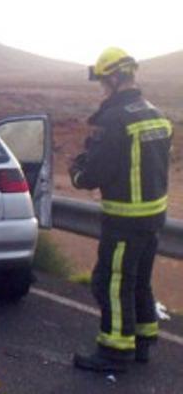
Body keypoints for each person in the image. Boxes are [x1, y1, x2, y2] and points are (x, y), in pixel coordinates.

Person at [69, 47, 173, 372]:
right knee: (138, 281)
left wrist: (76, 172)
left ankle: (114, 351)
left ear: (114, 77)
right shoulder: (154, 113)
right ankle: (143, 341)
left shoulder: (116, 119)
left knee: (110, 282)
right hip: (154, 218)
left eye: (103, 81)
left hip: (125, 220)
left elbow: (94, 174)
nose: (102, 87)